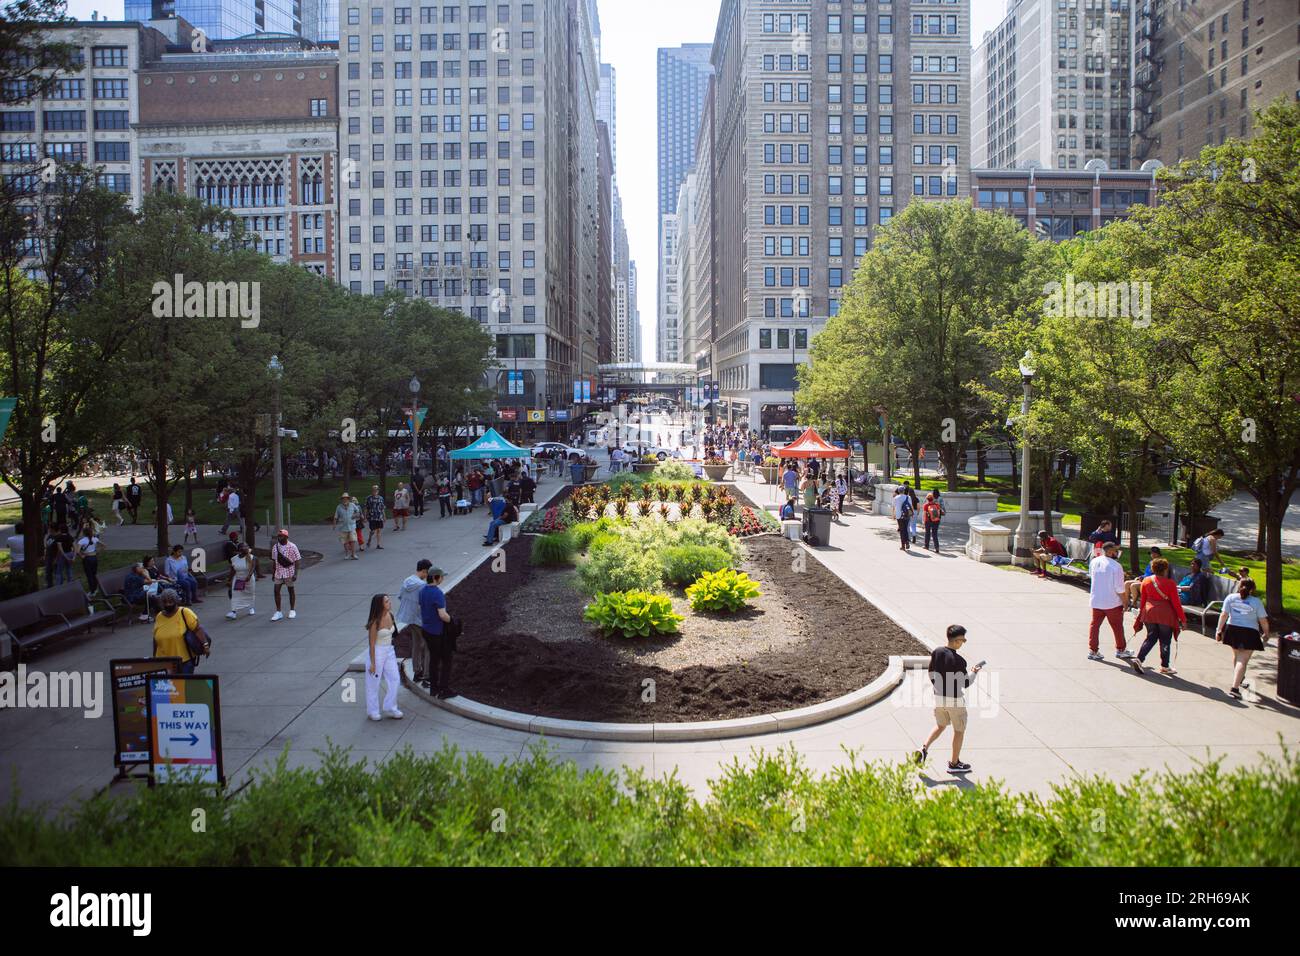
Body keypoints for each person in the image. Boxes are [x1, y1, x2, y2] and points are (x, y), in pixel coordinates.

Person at [915, 624, 983, 773]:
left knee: (940, 725)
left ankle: (923, 748)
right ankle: (954, 764)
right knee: (959, 730)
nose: (963, 642)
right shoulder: (959, 661)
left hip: (938, 697)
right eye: (963, 640)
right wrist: (974, 672)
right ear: (957, 640)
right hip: (955, 700)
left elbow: (931, 672)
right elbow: (965, 683)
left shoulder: (937, 652)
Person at [1129, 557, 1185, 676]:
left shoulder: (1146, 581)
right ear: (1165, 569)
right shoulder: (1170, 583)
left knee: (1151, 637)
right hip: (1165, 615)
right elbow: (1176, 603)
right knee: (1165, 640)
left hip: (1149, 613)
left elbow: (1143, 600)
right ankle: (1165, 666)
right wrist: (1183, 619)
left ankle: (1139, 659)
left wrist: (1140, 615)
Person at [1215, 578, 1269, 700]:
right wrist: (1266, 633)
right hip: (1249, 632)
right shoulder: (1256, 602)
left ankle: (1239, 678)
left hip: (1232, 629)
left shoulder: (1230, 598)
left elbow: (1224, 615)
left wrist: (1219, 630)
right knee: (1242, 661)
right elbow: (1263, 620)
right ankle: (1234, 688)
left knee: (1237, 656)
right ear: (1252, 589)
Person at [1087, 540, 1133, 661]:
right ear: (1111, 551)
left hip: (1096, 600)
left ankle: (1093, 650)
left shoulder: (1094, 561)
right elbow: (1119, 588)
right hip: (1112, 602)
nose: (1117, 553)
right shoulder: (1116, 566)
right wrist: (1125, 601)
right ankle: (1121, 649)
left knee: (1095, 625)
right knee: (1117, 626)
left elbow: (1091, 576)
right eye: (1116, 551)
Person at [364, 594, 404, 721]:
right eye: (386, 601)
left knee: (395, 679)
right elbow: (371, 644)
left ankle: (391, 707)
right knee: (373, 683)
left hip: (389, 651)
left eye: (389, 600)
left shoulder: (390, 615)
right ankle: (372, 711)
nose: (389, 603)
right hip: (377, 652)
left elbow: (394, 634)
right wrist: (373, 663)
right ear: (380, 605)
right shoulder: (374, 622)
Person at [418, 567, 455, 698]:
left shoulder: (422, 591)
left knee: (434, 660)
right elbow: (443, 615)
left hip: (426, 630)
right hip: (437, 632)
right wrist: (453, 621)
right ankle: (444, 689)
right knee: (447, 660)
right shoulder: (437, 593)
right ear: (435, 578)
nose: (443, 578)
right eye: (441, 576)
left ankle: (434, 689)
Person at [152, 590, 208, 675]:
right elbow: (155, 638)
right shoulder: (159, 616)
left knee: (183, 686)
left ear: (176, 601)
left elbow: (197, 629)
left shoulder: (184, 612)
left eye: (170, 602)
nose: (168, 605)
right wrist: (154, 658)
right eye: (165, 602)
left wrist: (205, 646)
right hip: (164, 661)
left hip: (184, 660)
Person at [396, 559, 433, 684]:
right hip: (419, 619)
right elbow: (425, 604)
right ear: (424, 571)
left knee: (416, 644)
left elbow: (400, 597)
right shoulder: (422, 586)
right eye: (428, 573)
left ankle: (417, 672)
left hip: (408, 618)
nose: (428, 576)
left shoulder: (407, 581)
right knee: (428, 646)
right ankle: (427, 676)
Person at [269, 529, 301, 621]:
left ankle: (292, 610)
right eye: (279, 536)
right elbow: (274, 561)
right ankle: (278, 612)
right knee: (276, 590)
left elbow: (297, 560)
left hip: (289, 571)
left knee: (290, 590)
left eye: (281, 536)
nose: (279, 537)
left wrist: (295, 574)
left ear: (286, 537)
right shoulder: (275, 547)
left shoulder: (292, 546)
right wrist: (273, 573)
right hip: (279, 572)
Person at [226, 541, 257, 619]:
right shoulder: (234, 559)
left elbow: (253, 567)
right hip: (238, 579)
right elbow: (232, 570)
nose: (246, 548)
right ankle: (233, 612)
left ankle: (251, 607)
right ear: (239, 549)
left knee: (249, 594)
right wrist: (229, 580)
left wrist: (249, 576)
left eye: (247, 546)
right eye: (244, 546)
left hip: (248, 579)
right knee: (235, 595)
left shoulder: (252, 557)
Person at [73, 522, 101, 595]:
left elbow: (77, 551)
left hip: (87, 559)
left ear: (84, 533)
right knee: (94, 574)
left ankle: (92, 591)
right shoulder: (95, 539)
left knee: (89, 575)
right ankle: (95, 589)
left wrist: (82, 555)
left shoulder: (82, 541)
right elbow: (104, 545)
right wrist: (97, 552)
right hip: (94, 558)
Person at [333, 493, 359, 560]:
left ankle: (353, 554)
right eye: (343, 498)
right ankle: (347, 554)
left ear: (348, 499)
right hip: (343, 527)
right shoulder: (339, 507)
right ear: (342, 499)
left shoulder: (352, 505)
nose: (345, 500)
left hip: (352, 526)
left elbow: (358, 512)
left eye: (346, 498)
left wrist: (355, 515)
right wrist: (334, 524)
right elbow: (336, 516)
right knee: (345, 541)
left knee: (353, 540)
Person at [363, 485, 387, 550]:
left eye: (377, 490)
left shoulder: (381, 498)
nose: (375, 491)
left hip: (379, 516)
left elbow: (382, 508)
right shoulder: (369, 498)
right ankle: (369, 539)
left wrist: (384, 516)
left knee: (379, 530)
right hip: (372, 516)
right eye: (374, 490)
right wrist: (365, 517)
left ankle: (378, 544)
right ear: (372, 491)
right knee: (373, 531)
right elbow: (365, 508)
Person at [892, 486, 913, 551]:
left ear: (898, 491)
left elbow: (894, 507)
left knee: (902, 530)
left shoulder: (896, 498)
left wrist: (893, 515)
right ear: (904, 491)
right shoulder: (908, 497)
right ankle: (907, 542)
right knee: (905, 529)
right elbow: (910, 506)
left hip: (899, 516)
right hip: (907, 515)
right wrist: (911, 514)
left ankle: (903, 545)